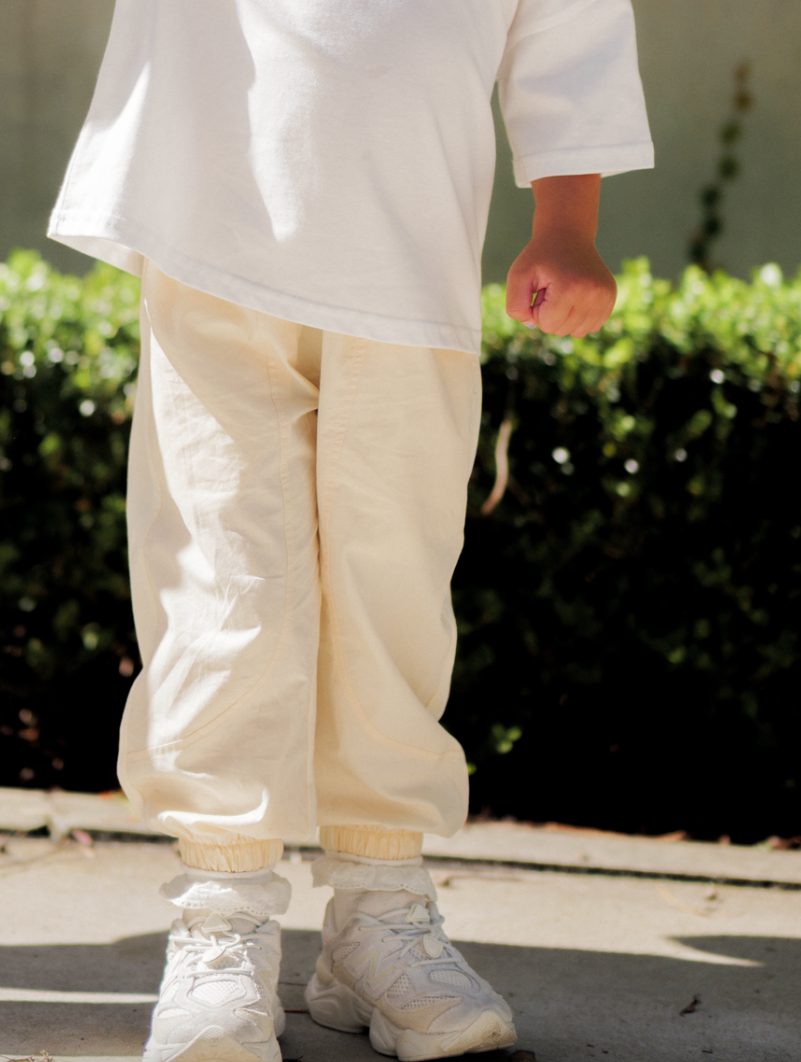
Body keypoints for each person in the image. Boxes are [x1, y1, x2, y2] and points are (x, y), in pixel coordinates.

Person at [49, 3, 652, 1059]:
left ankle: (377, 912)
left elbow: (572, 22)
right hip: (213, 233)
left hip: (411, 259)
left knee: (395, 588)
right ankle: (223, 914)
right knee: (225, 578)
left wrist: (568, 218)